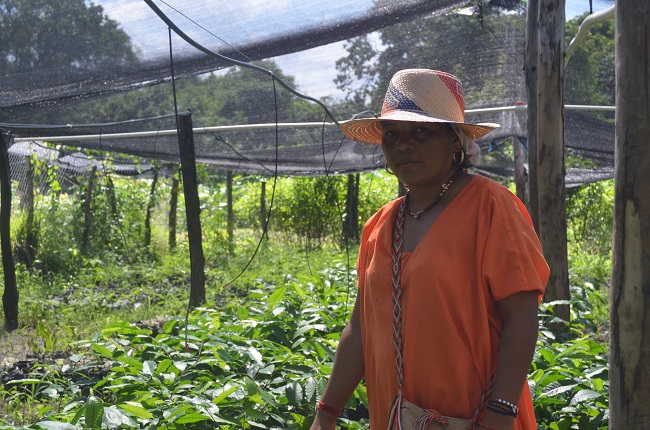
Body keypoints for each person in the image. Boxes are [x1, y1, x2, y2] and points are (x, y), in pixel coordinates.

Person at [309, 69, 549, 430]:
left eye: (421, 131)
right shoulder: (380, 225)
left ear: (455, 141)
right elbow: (360, 329)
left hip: (476, 418)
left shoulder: (491, 207)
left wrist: (499, 414)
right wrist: (325, 415)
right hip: (396, 418)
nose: (403, 144)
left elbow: (521, 316)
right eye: (392, 134)